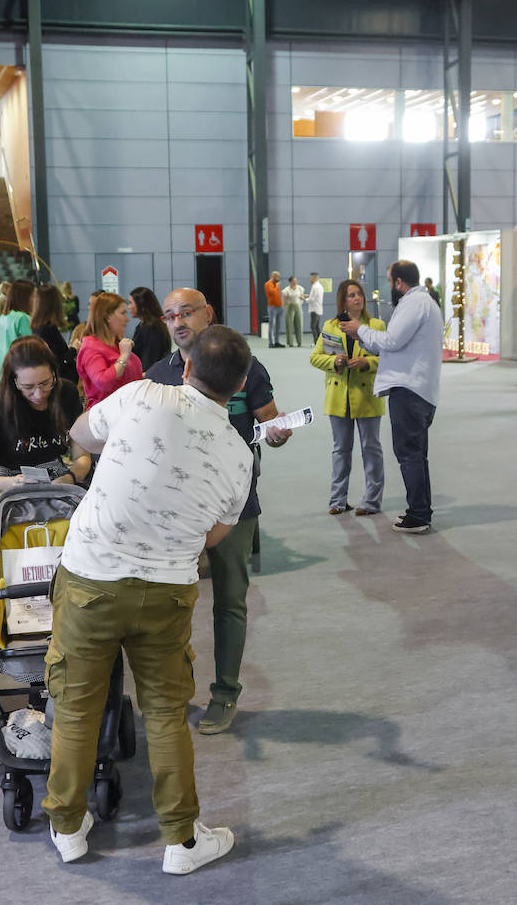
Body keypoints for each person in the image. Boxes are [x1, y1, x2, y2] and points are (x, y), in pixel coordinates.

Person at [44, 325, 254, 875]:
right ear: (240, 386)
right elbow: (213, 535)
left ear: (185, 366)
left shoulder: (141, 393)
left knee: (75, 706)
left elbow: (81, 435)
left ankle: (67, 827)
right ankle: (181, 842)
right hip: (167, 591)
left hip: (90, 576)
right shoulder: (239, 454)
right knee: (165, 713)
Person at [146, 288, 292, 735]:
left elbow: (268, 417)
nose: (178, 322)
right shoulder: (158, 375)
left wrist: (276, 431)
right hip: (175, 510)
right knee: (167, 604)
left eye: (186, 312)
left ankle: (225, 692)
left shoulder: (245, 366)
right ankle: (172, 691)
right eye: (170, 315)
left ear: (208, 314)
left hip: (233, 503)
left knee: (229, 602)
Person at [340, 259, 443, 535]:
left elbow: (391, 341)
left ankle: (418, 514)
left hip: (409, 391)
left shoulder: (413, 304)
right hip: (421, 390)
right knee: (417, 456)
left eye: (390, 281)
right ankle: (421, 510)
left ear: (399, 282)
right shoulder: (428, 304)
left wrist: (358, 330)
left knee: (409, 455)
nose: (390, 287)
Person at [0, 335, 89, 493]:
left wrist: (70, 477)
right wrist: (14, 482)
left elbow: (83, 457)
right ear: (14, 381)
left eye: (45, 383)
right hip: (13, 492)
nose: (38, 394)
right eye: (28, 387)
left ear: (54, 372)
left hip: (61, 487)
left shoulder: (66, 393)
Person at [310, 279, 386, 515]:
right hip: (338, 396)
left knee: (371, 448)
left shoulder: (377, 325)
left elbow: (388, 358)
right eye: (351, 295)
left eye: (359, 294)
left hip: (367, 396)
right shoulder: (331, 326)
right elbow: (315, 357)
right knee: (340, 450)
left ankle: (371, 501)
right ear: (342, 301)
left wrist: (367, 362)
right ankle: (337, 501)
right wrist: (335, 361)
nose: (357, 298)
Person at [77, 291, 143, 408]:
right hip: (107, 416)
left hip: (128, 411)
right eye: (123, 313)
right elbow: (104, 382)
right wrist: (124, 356)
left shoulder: (116, 345)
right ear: (108, 316)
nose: (127, 319)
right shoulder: (91, 348)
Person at [31, 284, 78, 384]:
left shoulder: (42, 327)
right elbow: (56, 362)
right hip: (59, 384)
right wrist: (73, 349)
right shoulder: (45, 329)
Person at [0, 279, 34, 369]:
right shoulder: (22, 318)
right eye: (33, 296)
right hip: (18, 370)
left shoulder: (3, 317)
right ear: (26, 297)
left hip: (2, 369)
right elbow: (31, 348)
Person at [129, 286, 171, 371]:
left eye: (130, 303)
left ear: (140, 304)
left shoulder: (152, 328)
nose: (129, 307)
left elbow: (150, 359)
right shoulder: (143, 325)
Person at [282, 275, 304, 347]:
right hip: (290, 306)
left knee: (299, 324)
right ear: (290, 281)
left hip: (298, 306)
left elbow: (302, 297)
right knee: (289, 325)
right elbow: (284, 299)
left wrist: (302, 299)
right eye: (294, 281)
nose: (295, 282)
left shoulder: (300, 288)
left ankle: (299, 342)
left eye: (296, 280)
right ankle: (290, 342)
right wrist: (286, 302)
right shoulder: (286, 290)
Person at [264, 270, 284, 347]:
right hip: (272, 307)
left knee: (278, 325)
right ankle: (271, 342)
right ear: (273, 276)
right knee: (272, 325)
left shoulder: (276, 284)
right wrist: (277, 286)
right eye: (277, 276)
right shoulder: (268, 284)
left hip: (279, 307)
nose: (279, 278)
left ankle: (276, 341)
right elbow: (273, 292)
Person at [306, 271, 325, 341]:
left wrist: (304, 299)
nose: (310, 279)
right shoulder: (320, 286)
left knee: (313, 326)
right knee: (316, 327)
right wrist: (308, 296)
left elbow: (312, 299)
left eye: (311, 278)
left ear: (314, 278)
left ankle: (316, 342)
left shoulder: (315, 287)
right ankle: (320, 342)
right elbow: (315, 297)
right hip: (318, 309)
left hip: (314, 309)